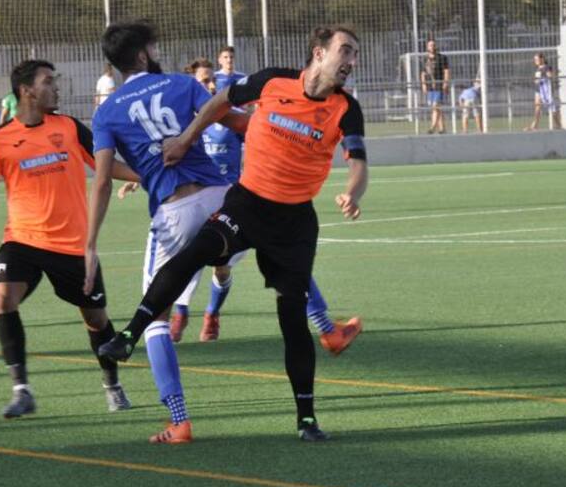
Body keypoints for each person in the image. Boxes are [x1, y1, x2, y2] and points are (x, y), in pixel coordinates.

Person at [99, 25, 368, 444]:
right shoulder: (270, 81)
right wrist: (187, 138)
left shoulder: (346, 108)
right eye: (345, 51)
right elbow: (223, 103)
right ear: (319, 53)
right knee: (201, 251)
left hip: (290, 223)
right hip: (243, 201)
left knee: (289, 318)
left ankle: (305, 420)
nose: (351, 61)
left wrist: (353, 191)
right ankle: (131, 334)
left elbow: (358, 162)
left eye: (354, 54)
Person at [0, 59, 138, 419]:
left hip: (72, 245)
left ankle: (111, 384)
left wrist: (144, 176)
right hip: (22, 240)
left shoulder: (69, 127)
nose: (56, 88)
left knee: (96, 320)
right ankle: (21, 390)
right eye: (48, 82)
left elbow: (105, 164)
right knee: (3, 297)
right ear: (27, 91)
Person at [85, 25, 240, 444]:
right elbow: (235, 121)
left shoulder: (107, 112)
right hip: (221, 197)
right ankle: (324, 324)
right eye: (152, 47)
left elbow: (102, 181)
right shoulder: (181, 84)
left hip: (175, 213)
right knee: (277, 249)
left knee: (154, 316)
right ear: (141, 55)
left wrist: (91, 244)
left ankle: (179, 420)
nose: (156, 52)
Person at [163, 58, 360, 345]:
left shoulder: (202, 119)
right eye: (204, 81)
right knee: (286, 257)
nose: (211, 85)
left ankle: (205, 316)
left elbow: (259, 131)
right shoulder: (207, 120)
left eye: (212, 80)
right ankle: (327, 330)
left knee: (216, 266)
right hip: (232, 202)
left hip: (231, 199)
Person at [420, 38, 450, 134]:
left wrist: (445, 83)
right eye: (430, 45)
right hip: (430, 86)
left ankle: (432, 127)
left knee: (435, 105)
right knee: (436, 108)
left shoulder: (442, 58)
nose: (432, 47)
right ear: (427, 47)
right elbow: (423, 73)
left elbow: (446, 71)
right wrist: (423, 85)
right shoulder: (424, 59)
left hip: (439, 84)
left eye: (433, 45)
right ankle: (442, 128)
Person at [524, 53, 560, 131]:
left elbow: (550, 75)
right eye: (535, 60)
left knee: (552, 108)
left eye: (537, 59)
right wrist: (536, 80)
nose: (535, 61)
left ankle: (558, 125)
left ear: (542, 59)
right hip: (538, 90)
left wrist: (544, 75)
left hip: (545, 91)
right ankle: (534, 126)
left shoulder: (546, 67)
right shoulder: (538, 68)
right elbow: (536, 80)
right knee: (537, 107)